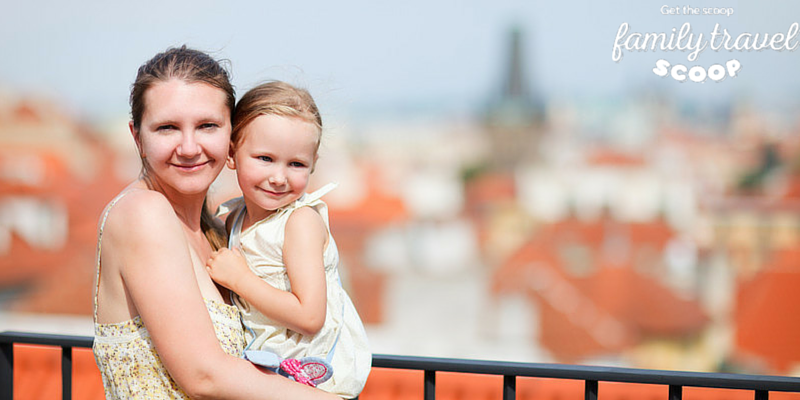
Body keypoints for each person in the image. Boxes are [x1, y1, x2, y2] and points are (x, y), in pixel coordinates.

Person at [92, 46, 340, 400]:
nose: (190, 147)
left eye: (207, 126)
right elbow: (204, 376)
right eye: (167, 128)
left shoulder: (221, 230)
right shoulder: (143, 212)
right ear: (138, 138)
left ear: (231, 138)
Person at [205, 81, 371, 399]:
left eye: (296, 164)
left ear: (313, 164)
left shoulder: (300, 222)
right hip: (270, 372)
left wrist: (240, 279)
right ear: (232, 154)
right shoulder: (234, 219)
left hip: (315, 377)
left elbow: (309, 316)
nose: (279, 177)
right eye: (265, 158)